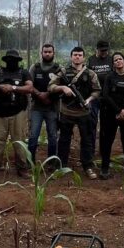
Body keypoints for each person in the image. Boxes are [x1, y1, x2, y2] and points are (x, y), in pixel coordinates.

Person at [49, 46, 101, 180]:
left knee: (87, 140)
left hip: (84, 112)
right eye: (75, 55)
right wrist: (63, 87)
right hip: (66, 112)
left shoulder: (90, 73)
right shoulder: (63, 72)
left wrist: (89, 100)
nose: (77, 57)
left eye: (79, 55)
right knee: (64, 140)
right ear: (71, 57)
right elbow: (51, 86)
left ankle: (88, 166)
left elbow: (97, 90)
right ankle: (61, 166)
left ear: (83, 57)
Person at [0, 49, 33, 177]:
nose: (11, 62)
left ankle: (22, 168)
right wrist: (1, 87)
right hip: (0, 112)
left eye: (14, 60)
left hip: (18, 112)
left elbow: (29, 88)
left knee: (19, 141)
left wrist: (13, 88)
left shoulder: (24, 73)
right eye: (9, 60)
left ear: (18, 61)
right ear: (6, 61)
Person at [98, 52, 124, 179]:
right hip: (110, 114)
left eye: (120, 59)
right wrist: (118, 111)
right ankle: (104, 168)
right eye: (115, 60)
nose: (118, 61)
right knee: (107, 141)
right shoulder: (109, 77)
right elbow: (106, 95)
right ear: (113, 64)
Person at [28, 43, 60, 162]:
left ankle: (51, 161)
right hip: (37, 107)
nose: (47, 54)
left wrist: (48, 95)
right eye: (45, 52)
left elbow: (61, 85)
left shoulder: (58, 68)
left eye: (49, 52)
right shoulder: (35, 67)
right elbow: (29, 85)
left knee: (52, 136)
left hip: (52, 107)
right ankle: (30, 161)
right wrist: (40, 95)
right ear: (41, 53)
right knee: (33, 135)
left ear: (53, 53)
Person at [86, 40, 113, 153]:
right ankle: (91, 149)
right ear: (96, 49)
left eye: (106, 50)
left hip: (107, 97)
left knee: (105, 125)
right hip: (95, 96)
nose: (104, 53)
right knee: (92, 124)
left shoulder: (110, 59)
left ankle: (104, 150)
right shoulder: (91, 60)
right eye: (102, 51)